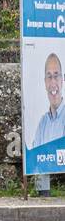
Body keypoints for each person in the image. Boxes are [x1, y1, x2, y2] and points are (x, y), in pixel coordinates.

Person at [33, 53, 65, 196]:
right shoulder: (42, 123)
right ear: (45, 82)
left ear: (62, 80)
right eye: (49, 76)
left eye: (56, 75)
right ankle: (42, 195)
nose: (53, 82)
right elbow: (35, 157)